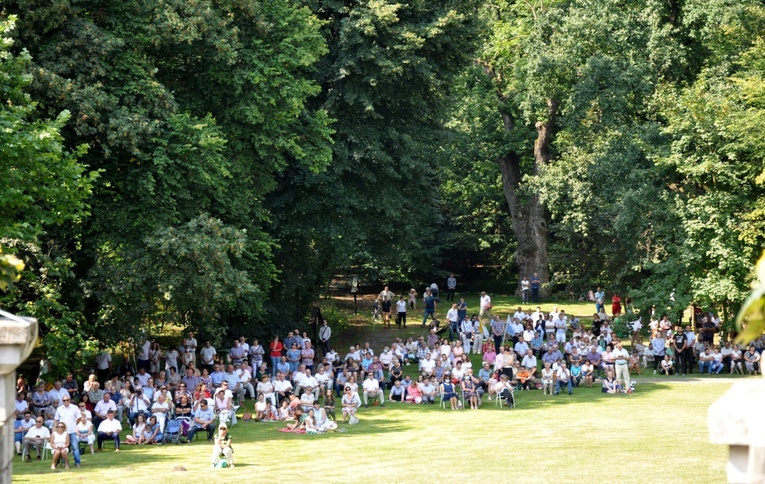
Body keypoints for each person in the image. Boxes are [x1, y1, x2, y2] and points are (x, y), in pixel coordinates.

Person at [53, 394, 81, 467]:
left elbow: (79, 418)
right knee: (63, 447)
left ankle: (77, 462)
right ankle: (64, 462)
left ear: (70, 400)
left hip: (72, 431)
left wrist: (74, 424)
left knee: (75, 447)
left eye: (67, 400)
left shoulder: (75, 408)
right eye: (64, 400)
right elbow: (56, 419)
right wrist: (55, 429)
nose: (66, 401)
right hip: (62, 432)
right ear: (62, 401)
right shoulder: (59, 409)